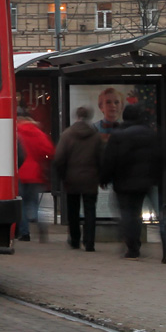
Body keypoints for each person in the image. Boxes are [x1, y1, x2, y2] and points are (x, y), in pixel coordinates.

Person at [100, 103, 166, 260]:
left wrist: (104, 178)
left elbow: (109, 159)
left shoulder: (118, 135)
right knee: (148, 213)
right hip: (147, 182)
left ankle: (132, 247)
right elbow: (162, 158)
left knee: (128, 214)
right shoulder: (151, 134)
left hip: (123, 182)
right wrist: (156, 176)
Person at [52, 106, 103, 251]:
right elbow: (101, 158)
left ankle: (75, 240)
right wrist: (99, 176)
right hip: (91, 179)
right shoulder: (95, 136)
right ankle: (90, 242)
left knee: (73, 211)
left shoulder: (67, 134)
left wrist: (63, 176)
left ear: (77, 116)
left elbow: (59, 158)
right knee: (90, 210)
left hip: (72, 179)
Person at [15, 108, 55, 242]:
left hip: (19, 173)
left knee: (21, 204)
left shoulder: (15, 132)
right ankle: (41, 225)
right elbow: (49, 150)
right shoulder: (37, 132)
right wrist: (41, 160)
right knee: (34, 204)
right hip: (35, 174)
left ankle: (25, 233)